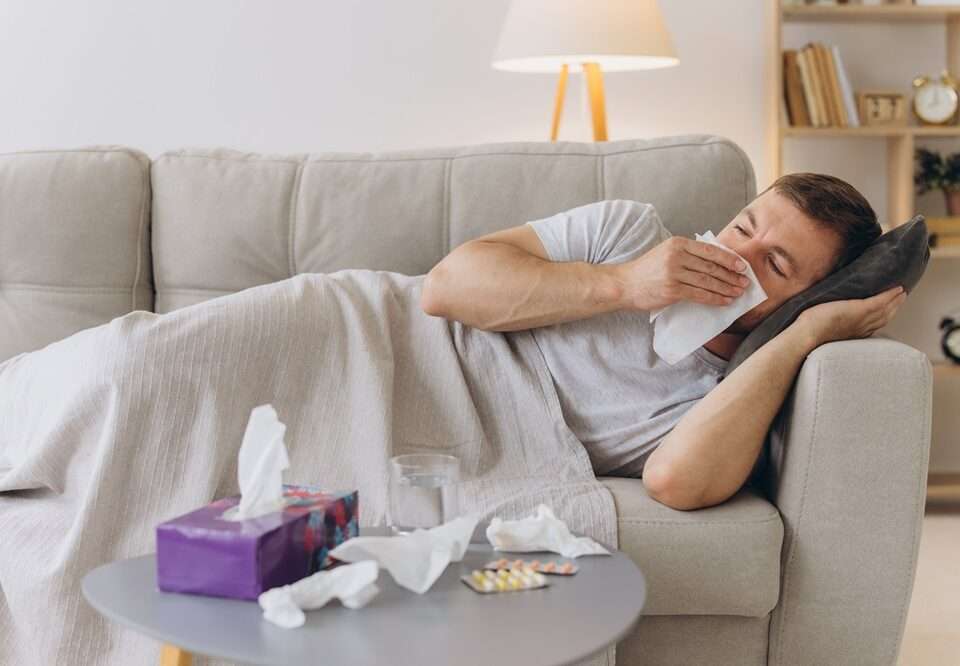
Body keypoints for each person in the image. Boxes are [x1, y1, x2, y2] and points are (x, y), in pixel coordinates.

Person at [421, 172, 906, 511]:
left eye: (774, 265)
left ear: (807, 299)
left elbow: (674, 482)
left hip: (434, 435)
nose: (738, 256)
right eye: (742, 228)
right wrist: (625, 284)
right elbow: (444, 287)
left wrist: (807, 332)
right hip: (381, 328)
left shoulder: (725, 397)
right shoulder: (627, 232)